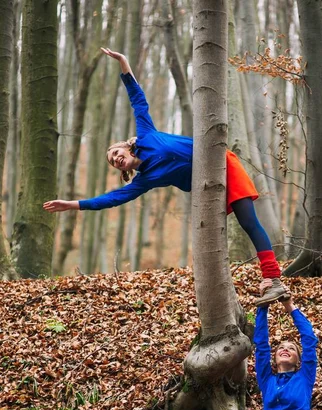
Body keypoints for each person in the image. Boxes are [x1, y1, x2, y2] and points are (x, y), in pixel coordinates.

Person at [43, 48, 288, 305]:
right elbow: (112, 199)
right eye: (113, 162)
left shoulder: (146, 134)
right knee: (211, 238)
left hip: (224, 165)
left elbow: (138, 100)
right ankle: (222, 296)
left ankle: (273, 279)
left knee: (248, 221)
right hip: (207, 189)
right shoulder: (145, 178)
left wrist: (124, 63)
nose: (115, 159)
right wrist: (72, 204)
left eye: (115, 153)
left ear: (125, 147)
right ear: (122, 169)